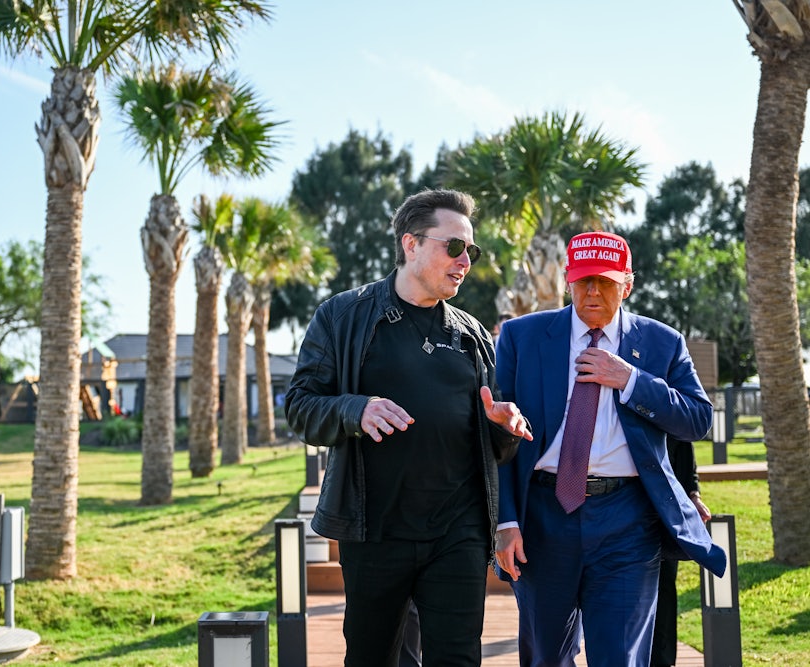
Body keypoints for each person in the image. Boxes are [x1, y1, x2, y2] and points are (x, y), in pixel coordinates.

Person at [285, 188, 533, 666]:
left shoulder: (472, 334)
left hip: (457, 532)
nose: (465, 262)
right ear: (410, 244)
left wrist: (501, 427)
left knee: (458, 659)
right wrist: (356, 410)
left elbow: (493, 448)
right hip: (374, 531)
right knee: (372, 656)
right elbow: (300, 407)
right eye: (454, 247)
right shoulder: (342, 316)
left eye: (472, 251)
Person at [493, 231, 726, 666]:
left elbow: (697, 419)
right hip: (543, 517)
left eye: (604, 281)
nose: (593, 291)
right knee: (545, 656)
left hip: (627, 522)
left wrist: (631, 380)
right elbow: (498, 442)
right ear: (567, 280)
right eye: (583, 281)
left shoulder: (662, 343)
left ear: (628, 284)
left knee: (620, 657)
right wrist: (505, 521)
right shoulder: (521, 337)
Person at [652, 437, 710, 667]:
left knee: (664, 585)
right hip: (616, 502)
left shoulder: (671, 400)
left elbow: (683, 438)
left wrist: (693, 493)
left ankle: (662, 661)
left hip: (665, 508)